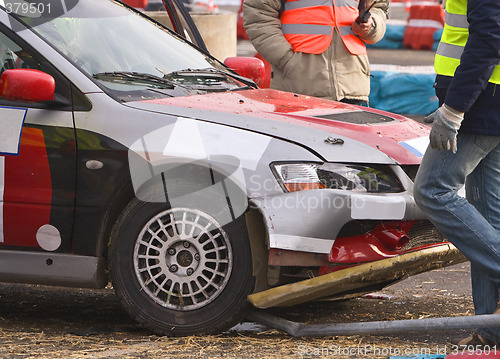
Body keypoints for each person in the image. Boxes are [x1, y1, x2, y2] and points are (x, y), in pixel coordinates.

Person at [413, 0, 500, 347]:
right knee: (486, 220)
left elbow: (489, 36)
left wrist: (454, 109)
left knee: (432, 191)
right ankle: (491, 331)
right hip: (489, 99)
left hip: (481, 102)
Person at [242, 0, 388, 105]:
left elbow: (379, 7)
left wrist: (371, 25)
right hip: (299, 85)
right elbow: (259, 17)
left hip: (352, 84)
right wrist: (287, 61)